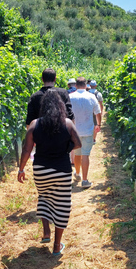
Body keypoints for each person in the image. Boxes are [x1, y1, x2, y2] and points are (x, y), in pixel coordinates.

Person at [18, 89, 81, 256]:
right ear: (60, 106)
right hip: (62, 170)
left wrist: (21, 168)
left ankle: (46, 231)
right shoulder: (67, 123)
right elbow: (78, 143)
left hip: (41, 170)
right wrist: (65, 149)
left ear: (43, 107)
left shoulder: (34, 124)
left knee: (44, 197)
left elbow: (26, 149)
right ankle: (56, 245)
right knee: (62, 205)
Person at [69, 77, 101, 188]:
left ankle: (77, 174)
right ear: (86, 86)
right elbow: (98, 112)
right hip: (88, 130)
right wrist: (98, 124)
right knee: (85, 154)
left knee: (77, 154)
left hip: (74, 131)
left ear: (76, 85)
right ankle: (85, 180)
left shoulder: (70, 97)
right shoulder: (91, 97)